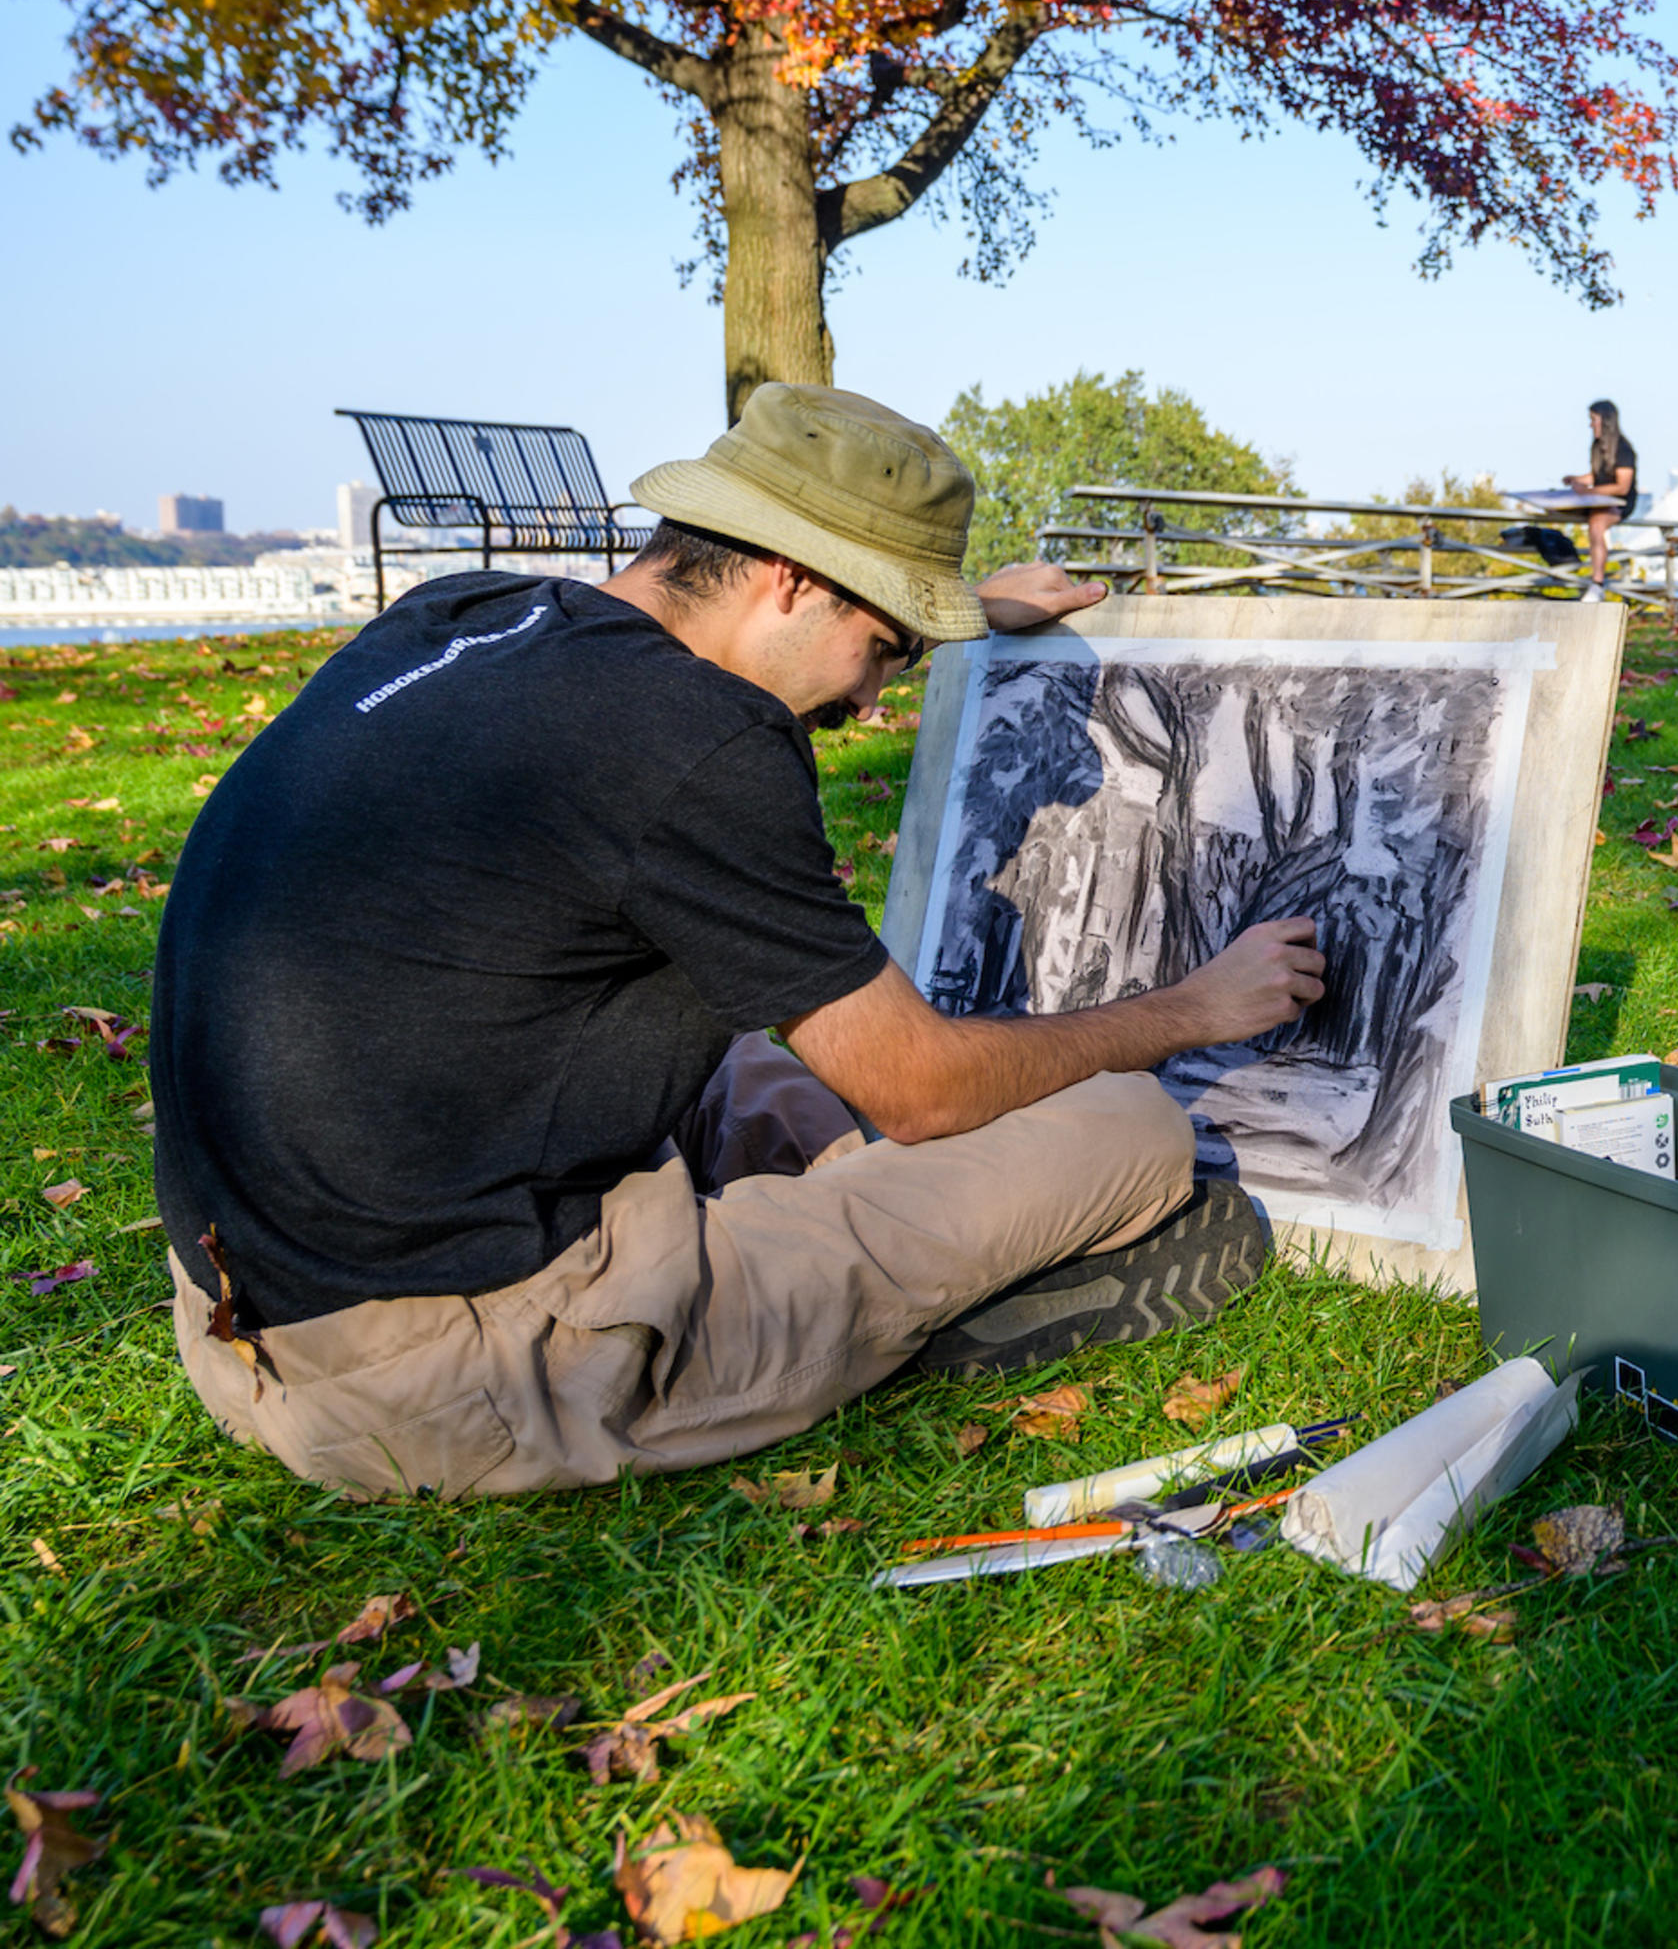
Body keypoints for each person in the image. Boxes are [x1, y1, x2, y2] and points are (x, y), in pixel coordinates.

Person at [151, 382, 1326, 1500]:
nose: (874, 700)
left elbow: (670, 740)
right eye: (887, 649)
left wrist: (956, 620)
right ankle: (909, 1293)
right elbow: (918, 1091)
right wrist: (1194, 1009)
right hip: (452, 1369)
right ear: (788, 580)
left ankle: (889, 1237)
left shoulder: (465, 615)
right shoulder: (699, 744)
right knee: (1131, 1130)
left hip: (257, 1300)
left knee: (757, 1060)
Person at [1563, 398, 1638, 590]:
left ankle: (1597, 582)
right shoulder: (1597, 447)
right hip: (1598, 499)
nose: (1590, 425)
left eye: (1593, 419)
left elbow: (1622, 487)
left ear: (1605, 421)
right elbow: (1598, 477)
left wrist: (1588, 491)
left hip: (1620, 503)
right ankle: (1562, 572)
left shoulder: (1623, 450)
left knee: (1596, 523)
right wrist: (1577, 480)